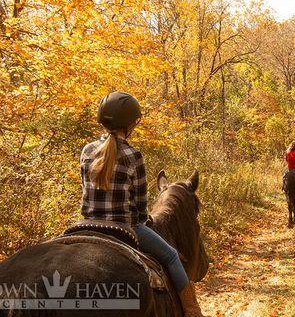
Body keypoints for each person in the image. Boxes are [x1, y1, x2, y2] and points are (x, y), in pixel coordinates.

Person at [80, 92, 205, 317]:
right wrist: (143, 220)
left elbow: (85, 190)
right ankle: (193, 310)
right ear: (130, 124)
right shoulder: (133, 154)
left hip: (86, 223)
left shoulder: (87, 151)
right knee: (171, 257)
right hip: (126, 227)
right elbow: (139, 208)